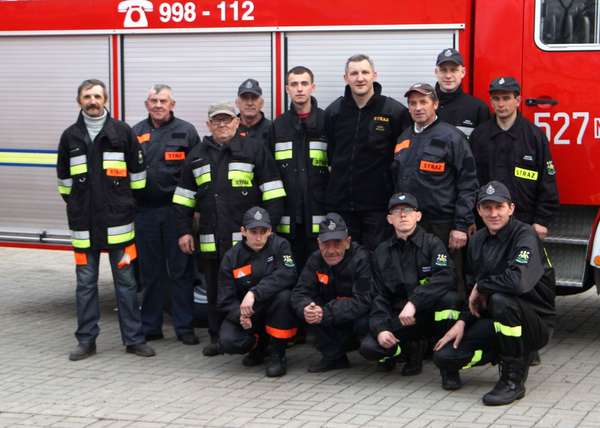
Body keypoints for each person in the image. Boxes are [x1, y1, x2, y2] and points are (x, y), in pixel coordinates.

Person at [173, 101, 285, 356]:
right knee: (215, 290)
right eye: (217, 120)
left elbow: (274, 193)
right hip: (211, 239)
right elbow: (183, 198)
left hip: (248, 243)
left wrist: (269, 231)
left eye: (227, 119)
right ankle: (218, 337)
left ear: (237, 122)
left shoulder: (253, 149)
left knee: (250, 289)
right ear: (208, 124)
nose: (222, 124)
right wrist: (184, 231)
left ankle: (257, 338)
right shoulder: (197, 155)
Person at [56, 78, 155, 360]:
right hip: (83, 227)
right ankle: (86, 341)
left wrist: (124, 204)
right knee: (85, 285)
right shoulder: (70, 137)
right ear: (79, 101)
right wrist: (78, 206)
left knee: (126, 284)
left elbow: (138, 178)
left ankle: (134, 340)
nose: (93, 101)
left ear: (106, 100)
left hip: (119, 226)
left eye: (97, 96)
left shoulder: (122, 132)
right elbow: (64, 183)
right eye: (87, 96)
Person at [433, 181, 555, 406]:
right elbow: (472, 291)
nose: (494, 213)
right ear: (479, 210)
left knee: (501, 299)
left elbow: (517, 282)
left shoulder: (525, 235)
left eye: (499, 207)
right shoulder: (477, 241)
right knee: (445, 357)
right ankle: (507, 352)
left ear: (511, 208)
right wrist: (462, 321)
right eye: (487, 208)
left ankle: (512, 381)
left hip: (534, 322)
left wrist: (483, 286)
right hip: (497, 319)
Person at [359, 193, 462, 375]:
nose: (403, 215)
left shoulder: (433, 244)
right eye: (397, 211)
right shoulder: (381, 252)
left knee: (450, 300)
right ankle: (406, 351)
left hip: (428, 316)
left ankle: (448, 366)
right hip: (400, 318)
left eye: (407, 210)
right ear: (389, 219)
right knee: (370, 348)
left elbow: (446, 277)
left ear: (418, 216)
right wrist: (381, 329)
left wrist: (414, 302)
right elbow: (378, 295)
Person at [392, 82, 478, 296]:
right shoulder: (403, 138)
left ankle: (454, 316)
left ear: (435, 104)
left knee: (450, 279)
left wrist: (460, 225)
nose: (418, 107)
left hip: (443, 226)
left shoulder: (452, 137)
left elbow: (468, 183)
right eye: (413, 103)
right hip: (412, 225)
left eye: (423, 102)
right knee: (415, 278)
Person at [132, 84, 200, 345]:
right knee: (150, 273)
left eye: (163, 101)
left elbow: (197, 173)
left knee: (181, 272)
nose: (158, 105)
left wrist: (194, 212)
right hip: (145, 212)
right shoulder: (135, 132)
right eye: (154, 101)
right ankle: (151, 327)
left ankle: (184, 327)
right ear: (146, 104)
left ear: (172, 104)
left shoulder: (187, 131)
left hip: (176, 213)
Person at [325, 54, 411, 250]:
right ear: (346, 78)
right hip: (342, 206)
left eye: (365, 72)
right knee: (346, 259)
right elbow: (331, 154)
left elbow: (402, 160)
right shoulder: (334, 112)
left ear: (374, 75)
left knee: (378, 258)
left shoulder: (393, 112)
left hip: (378, 207)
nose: (360, 78)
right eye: (354, 73)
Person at [470, 77, 559, 241]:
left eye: (506, 98)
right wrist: (468, 218)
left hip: (524, 222)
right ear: (491, 102)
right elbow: (468, 180)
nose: (501, 104)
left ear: (518, 101)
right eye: (496, 99)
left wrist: (541, 220)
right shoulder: (479, 136)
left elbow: (547, 181)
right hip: (486, 222)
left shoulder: (534, 136)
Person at [217, 207, 298, 377]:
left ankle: (278, 355)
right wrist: (240, 315)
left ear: (270, 231)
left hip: (273, 308)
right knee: (228, 342)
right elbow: (225, 298)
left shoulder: (280, 245)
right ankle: (258, 347)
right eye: (253, 232)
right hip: (247, 312)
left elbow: (288, 273)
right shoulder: (231, 257)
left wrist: (254, 293)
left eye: (263, 231)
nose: (259, 237)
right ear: (243, 231)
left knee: (284, 297)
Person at [291, 213, 374, 372]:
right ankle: (334, 357)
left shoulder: (362, 259)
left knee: (365, 322)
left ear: (347, 242)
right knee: (303, 307)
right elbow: (299, 292)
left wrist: (326, 312)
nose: (331, 250)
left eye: (337, 243)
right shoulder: (315, 260)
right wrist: (306, 308)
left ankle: (383, 358)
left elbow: (364, 300)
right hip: (328, 316)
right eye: (325, 244)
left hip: (355, 319)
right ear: (318, 243)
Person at [270, 65, 328, 271]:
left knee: (320, 274)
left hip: (320, 214)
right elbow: (270, 175)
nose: (300, 88)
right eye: (294, 84)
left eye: (304, 83)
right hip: (288, 219)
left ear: (313, 87)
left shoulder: (326, 121)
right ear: (287, 89)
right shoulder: (278, 126)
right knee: (288, 273)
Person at [434, 48, 490, 138]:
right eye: (443, 70)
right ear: (436, 72)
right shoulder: (424, 107)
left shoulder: (478, 109)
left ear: (463, 72)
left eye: (453, 70)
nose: (448, 76)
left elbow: (483, 144)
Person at [236, 78, 271, 145]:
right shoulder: (229, 129)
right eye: (245, 98)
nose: (250, 103)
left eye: (254, 98)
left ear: (262, 103)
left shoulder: (272, 129)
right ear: (237, 103)